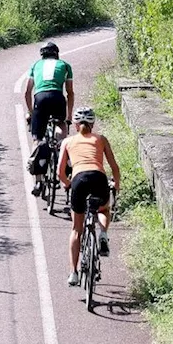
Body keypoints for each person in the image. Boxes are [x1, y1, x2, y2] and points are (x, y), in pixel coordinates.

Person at [57, 106, 121, 286]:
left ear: (76, 125)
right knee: (103, 208)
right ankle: (102, 233)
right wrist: (116, 184)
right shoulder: (100, 139)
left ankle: (73, 273)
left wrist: (68, 184)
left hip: (79, 180)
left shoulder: (68, 142)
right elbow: (114, 167)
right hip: (99, 178)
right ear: (92, 124)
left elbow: (60, 172)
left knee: (77, 229)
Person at [23, 41, 74, 196]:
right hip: (57, 98)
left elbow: (27, 92)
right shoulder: (65, 65)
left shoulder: (35, 65)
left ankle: (38, 180)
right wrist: (69, 117)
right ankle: (61, 150)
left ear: (42, 54)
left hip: (40, 98)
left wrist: (31, 113)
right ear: (56, 54)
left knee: (37, 139)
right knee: (61, 128)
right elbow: (70, 93)